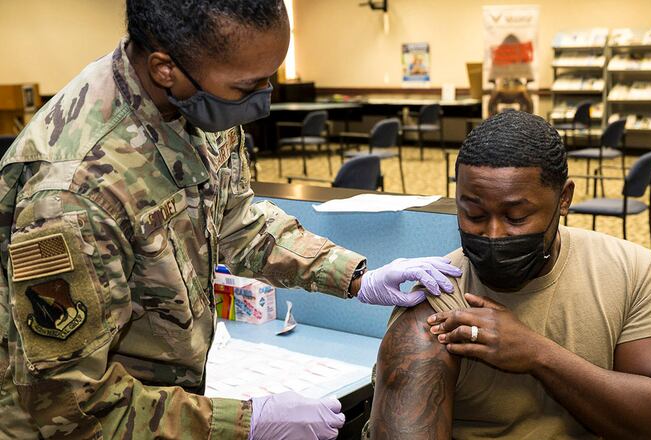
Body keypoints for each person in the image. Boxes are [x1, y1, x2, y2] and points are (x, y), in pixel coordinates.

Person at [0, 1, 460, 439]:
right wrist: (247, 424)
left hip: (171, 400)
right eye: (246, 88)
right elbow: (70, 407)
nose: (261, 100)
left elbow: (239, 221)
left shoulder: (196, 99)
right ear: (166, 68)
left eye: (269, 80)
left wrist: (358, 277)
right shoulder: (73, 193)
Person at [370, 111, 651, 439]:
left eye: (517, 216)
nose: (494, 235)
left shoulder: (631, 271)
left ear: (564, 199)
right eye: (474, 215)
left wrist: (537, 354)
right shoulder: (439, 301)